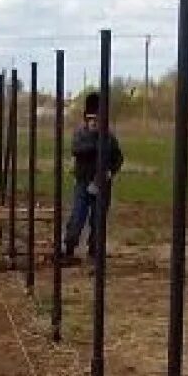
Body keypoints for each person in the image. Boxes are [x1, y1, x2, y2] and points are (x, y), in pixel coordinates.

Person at [63, 91, 124, 259]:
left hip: (102, 184)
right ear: (86, 119)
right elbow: (77, 150)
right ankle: (69, 247)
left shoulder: (109, 137)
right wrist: (96, 144)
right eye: (91, 120)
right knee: (78, 216)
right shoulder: (81, 135)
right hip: (83, 182)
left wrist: (111, 171)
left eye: (97, 119)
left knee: (98, 219)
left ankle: (95, 249)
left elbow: (118, 157)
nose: (94, 123)